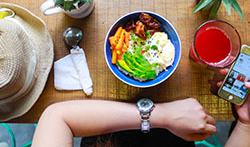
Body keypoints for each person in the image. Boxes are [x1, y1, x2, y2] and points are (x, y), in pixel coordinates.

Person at [31, 69, 250, 147]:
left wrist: (164, 115)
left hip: (102, 126)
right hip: (177, 136)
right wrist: (246, 124)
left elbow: (56, 117)